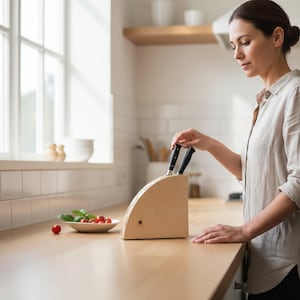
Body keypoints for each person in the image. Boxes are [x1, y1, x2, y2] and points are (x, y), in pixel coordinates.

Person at [171, 0, 300, 299]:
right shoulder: (267, 100)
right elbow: (253, 172)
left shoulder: (294, 94)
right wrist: (209, 144)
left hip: (285, 263)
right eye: (233, 45)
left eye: (245, 42)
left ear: (277, 37)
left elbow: (298, 184)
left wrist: (243, 231)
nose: (237, 54)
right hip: (265, 257)